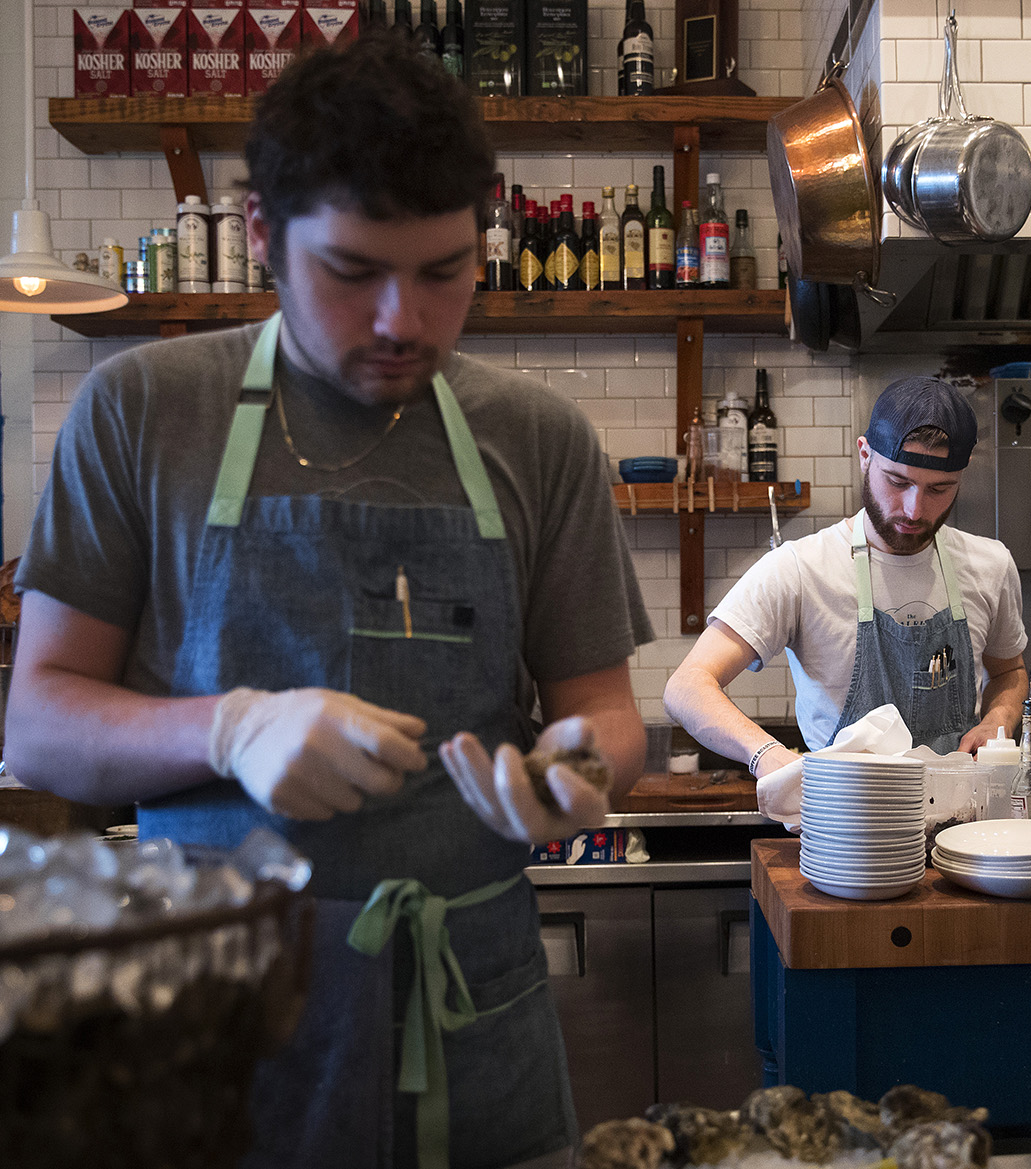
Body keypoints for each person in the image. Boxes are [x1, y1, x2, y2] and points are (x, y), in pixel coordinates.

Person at [6, 33, 651, 1169]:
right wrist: (230, 724)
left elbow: (605, 710)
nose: (404, 318)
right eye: (353, 272)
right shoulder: (141, 413)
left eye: (444, 270)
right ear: (261, 235)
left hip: (474, 1027)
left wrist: (577, 772)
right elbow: (42, 724)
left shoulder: (539, 441)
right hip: (216, 1034)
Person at [664, 376, 1028, 781]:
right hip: (846, 828)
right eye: (898, 481)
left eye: (940, 489)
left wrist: (999, 719)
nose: (914, 509)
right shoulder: (800, 570)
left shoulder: (990, 565)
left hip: (962, 827)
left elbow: (1009, 672)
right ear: (864, 455)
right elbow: (687, 687)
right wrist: (765, 754)